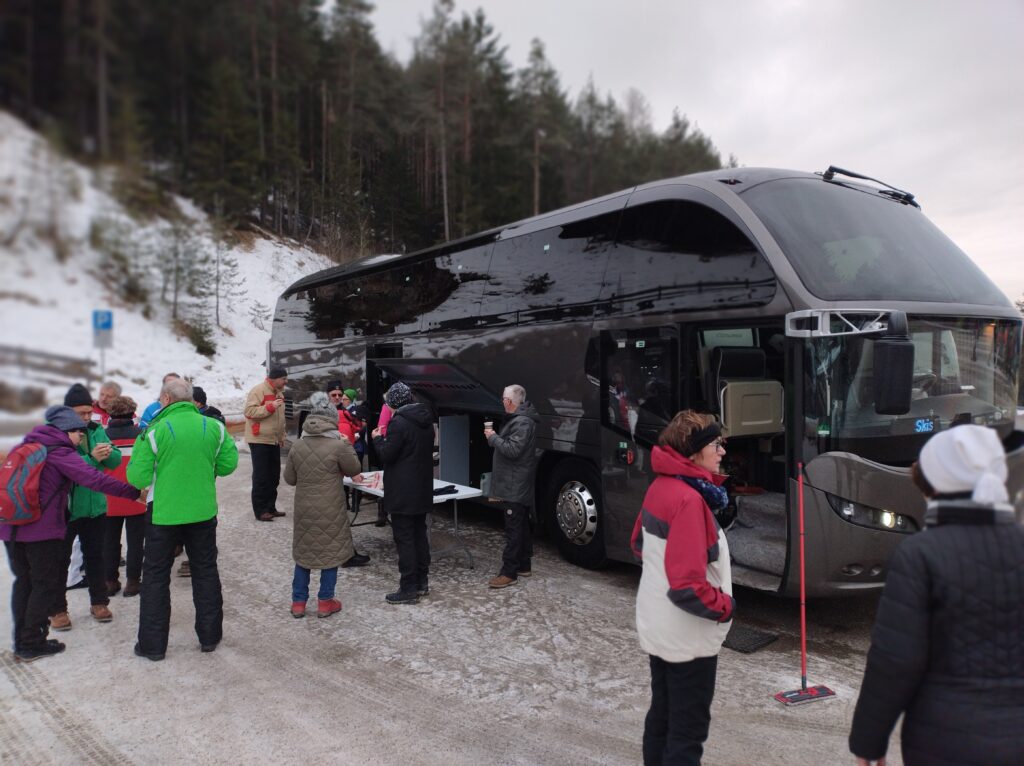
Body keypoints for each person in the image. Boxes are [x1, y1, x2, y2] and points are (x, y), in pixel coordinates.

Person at [849, 425, 1024, 766]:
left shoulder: (920, 554)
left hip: (945, 740)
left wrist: (869, 742)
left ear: (935, 487)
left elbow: (895, 660)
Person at [630, 410, 734, 766]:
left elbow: (638, 545)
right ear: (694, 453)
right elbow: (687, 586)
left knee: (662, 716)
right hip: (687, 635)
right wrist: (725, 607)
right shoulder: (689, 501)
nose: (722, 452)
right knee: (687, 733)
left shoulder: (662, 487)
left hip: (658, 625)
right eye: (715, 445)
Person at [2, 406, 140, 663]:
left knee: (25, 582)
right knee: (44, 584)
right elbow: (94, 479)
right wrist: (133, 492)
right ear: (68, 431)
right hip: (39, 531)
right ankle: (31, 642)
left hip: (11, 527)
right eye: (79, 433)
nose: (82, 438)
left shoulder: (29, 444)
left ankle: (23, 639)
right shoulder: (60, 451)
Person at [127, 378, 239, 661]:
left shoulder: (153, 430)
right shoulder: (213, 426)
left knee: (154, 576)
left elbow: (137, 477)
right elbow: (228, 465)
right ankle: (210, 637)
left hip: (163, 513)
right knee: (205, 570)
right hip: (202, 511)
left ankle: (152, 646)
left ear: (165, 399)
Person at [283, 393, 367, 619]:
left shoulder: (298, 444)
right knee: (329, 555)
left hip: (304, 509)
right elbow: (354, 469)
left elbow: (290, 479)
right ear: (331, 420)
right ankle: (325, 602)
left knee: (304, 555)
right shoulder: (338, 445)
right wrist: (347, 443)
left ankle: (298, 603)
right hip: (330, 507)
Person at [50, 383, 123, 630]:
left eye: (88, 412)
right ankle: (58, 609)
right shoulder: (58, 434)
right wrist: (92, 458)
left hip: (95, 507)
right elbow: (69, 468)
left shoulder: (95, 430)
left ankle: (99, 602)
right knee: (60, 559)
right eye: (80, 413)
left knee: (96, 556)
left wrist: (107, 453)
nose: (86, 417)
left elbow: (113, 461)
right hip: (66, 510)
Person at [371, 381, 434, 604]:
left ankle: (408, 588)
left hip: (403, 491)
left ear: (394, 403)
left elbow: (388, 455)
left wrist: (378, 439)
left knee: (405, 538)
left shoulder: (399, 423)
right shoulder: (426, 420)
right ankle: (421, 582)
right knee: (419, 535)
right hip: (422, 488)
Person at [484, 384, 540, 589]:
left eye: (504, 399)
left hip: (514, 483)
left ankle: (509, 572)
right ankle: (524, 564)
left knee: (513, 527)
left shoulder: (522, 422)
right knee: (522, 523)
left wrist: (493, 438)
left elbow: (513, 450)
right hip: (517, 481)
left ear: (509, 402)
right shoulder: (523, 420)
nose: (502, 402)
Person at [102, 395, 147, 598]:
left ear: (110, 413)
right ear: (133, 412)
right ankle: (133, 582)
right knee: (136, 541)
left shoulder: (102, 436)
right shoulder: (141, 435)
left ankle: (110, 581)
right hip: (136, 495)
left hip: (108, 496)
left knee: (109, 541)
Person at [245, 366, 288, 522]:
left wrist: (282, 435)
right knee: (261, 477)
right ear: (274, 378)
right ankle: (260, 510)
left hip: (273, 440)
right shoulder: (258, 391)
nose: (286, 381)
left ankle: (270, 507)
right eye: (283, 378)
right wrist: (269, 407)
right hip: (259, 439)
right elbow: (249, 412)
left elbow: (280, 418)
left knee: (274, 476)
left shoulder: (279, 393)